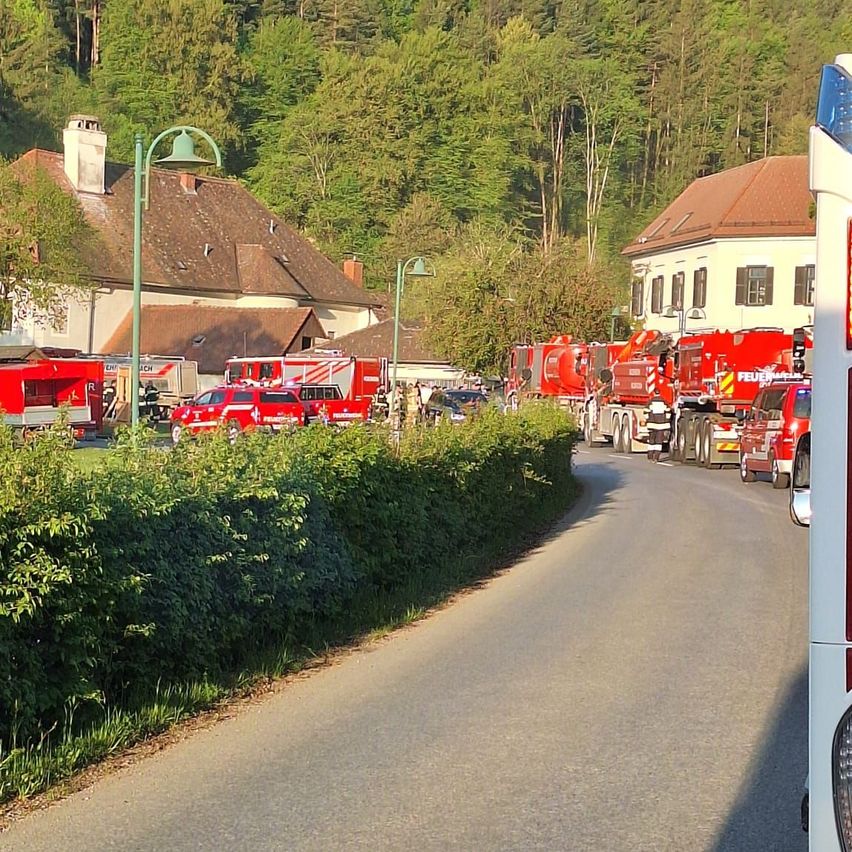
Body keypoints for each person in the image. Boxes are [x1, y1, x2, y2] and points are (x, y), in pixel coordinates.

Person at [645, 391, 670, 462]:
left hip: (652, 425)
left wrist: (648, 419)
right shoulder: (664, 402)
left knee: (651, 441)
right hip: (661, 425)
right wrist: (666, 420)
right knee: (659, 442)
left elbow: (645, 411)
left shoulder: (651, 401)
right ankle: (656, 457)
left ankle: (650, 457)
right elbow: (668, 411)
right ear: (660, 393)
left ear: (654, 393)